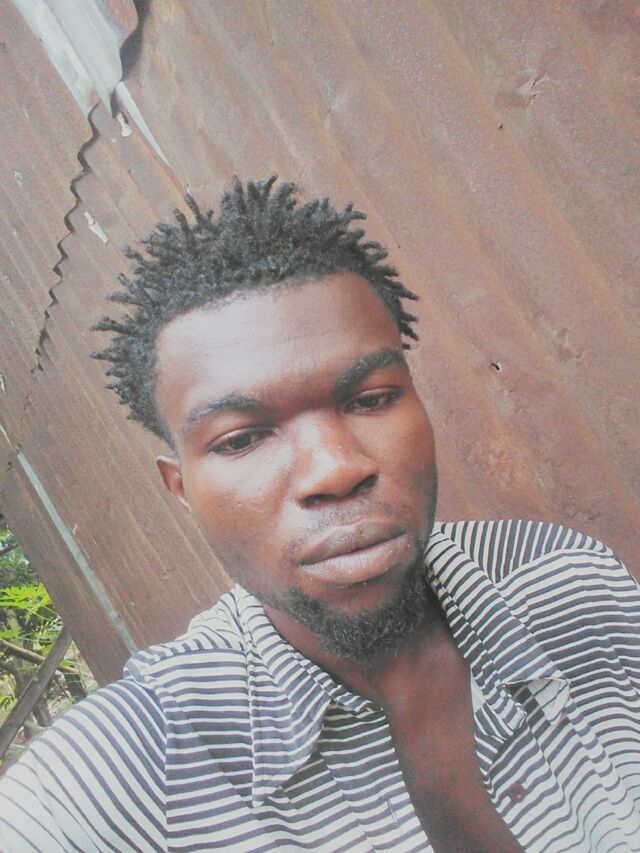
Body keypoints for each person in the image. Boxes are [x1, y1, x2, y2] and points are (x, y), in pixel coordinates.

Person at [0, 177, 639, 852]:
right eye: (241, 438)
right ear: (182, 488)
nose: (334, 468)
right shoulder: (120, 778)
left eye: (371, 399)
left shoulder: (566, 578)